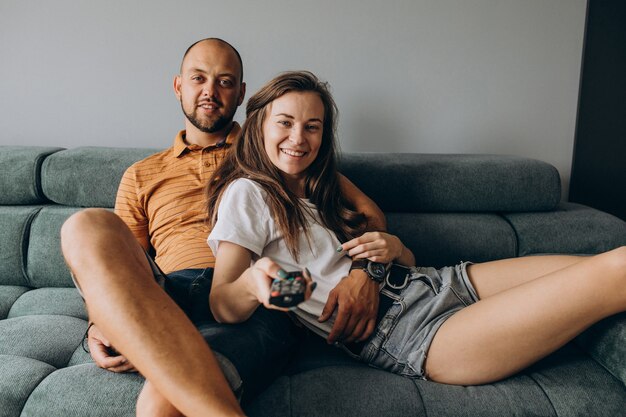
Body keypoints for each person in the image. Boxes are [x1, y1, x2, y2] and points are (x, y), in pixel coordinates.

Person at [206, 70, 626, 389]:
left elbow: (398, 253)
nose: (298, 138)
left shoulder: (321, 187)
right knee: (615, 273)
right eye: (285, 122)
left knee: (601, 264)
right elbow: (221, 301)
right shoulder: (249, 193)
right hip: (412, 334)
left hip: (439, 281)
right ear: (259, 124)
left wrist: (392, 249)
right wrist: (256, 285)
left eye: (312, 126)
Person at [61, 40, 386, 416]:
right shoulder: (141, 174)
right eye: (199, 78)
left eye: (225, 81)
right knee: (86, 225)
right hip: (167, 295)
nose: (210, 92)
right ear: (179, 85)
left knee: (160, 408)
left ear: (242, 93)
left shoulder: (277, 149)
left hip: (249, 295)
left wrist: (366, 273)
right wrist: (100, 320)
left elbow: (369, 214)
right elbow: (115, 265)